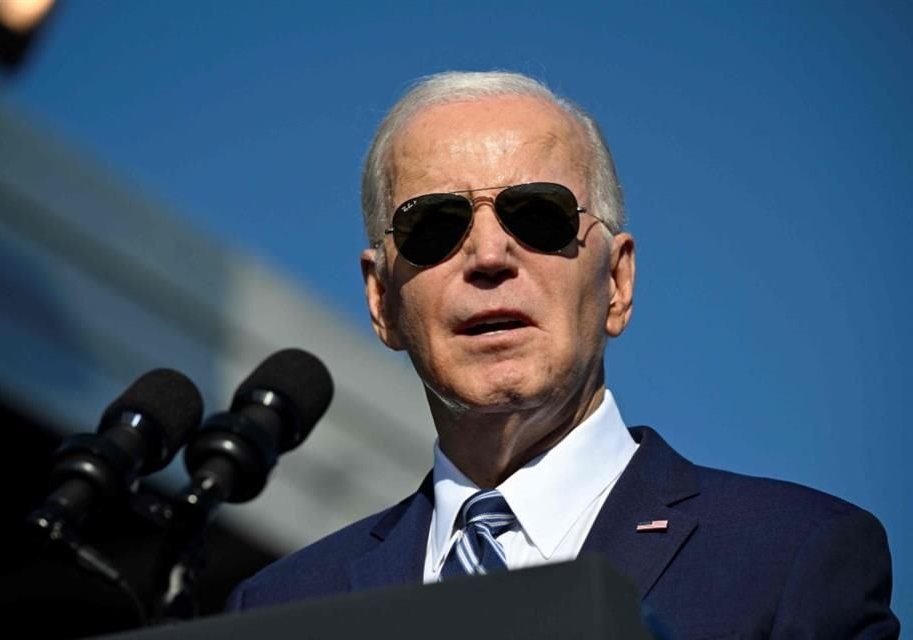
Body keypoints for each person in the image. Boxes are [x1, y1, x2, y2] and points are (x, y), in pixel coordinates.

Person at [226, 71, 900, 638]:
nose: (489, 256)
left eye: (538, 215)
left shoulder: (791, 557)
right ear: (382, 301)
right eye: (434, 225)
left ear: (616, 281)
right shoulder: (284, 609)